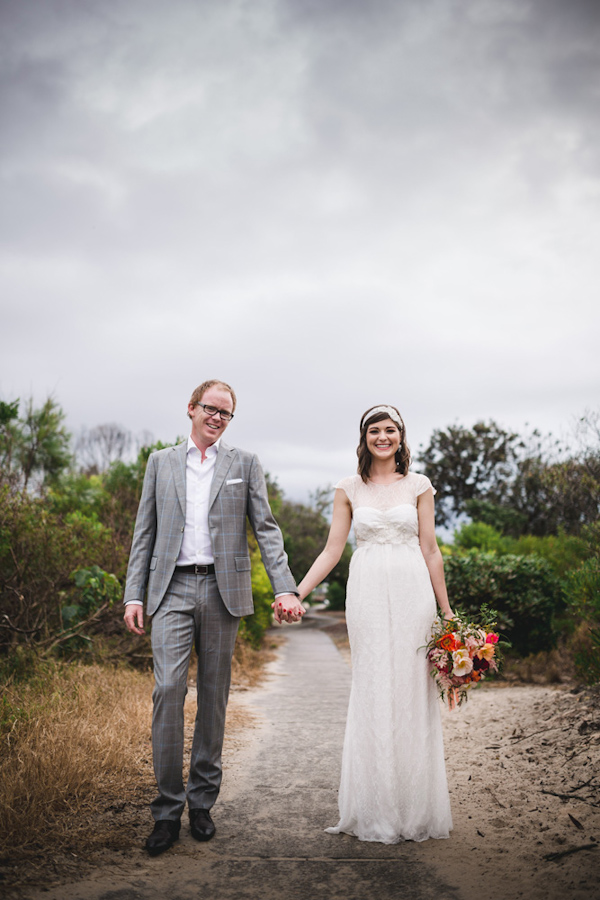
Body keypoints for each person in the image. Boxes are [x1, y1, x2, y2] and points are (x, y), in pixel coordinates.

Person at [124, 380, 305, 856]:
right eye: (211, 409)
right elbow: (144, 532)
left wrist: (285, 586)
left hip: (225, 591)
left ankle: (201, 802)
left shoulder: (244, 464)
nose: (218, 418)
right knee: (168, 689)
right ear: (191, 409)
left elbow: (266, 529)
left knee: (214, 696)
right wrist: (132, 596)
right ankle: (166, 810)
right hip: (171, 589)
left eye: (226, 413)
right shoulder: (160, 463)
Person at [294, 404, 454, 844]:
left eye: (390, 430)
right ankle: (374, 807)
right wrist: (296, 592)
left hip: (412, 594)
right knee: (373, 685)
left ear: (401, 437)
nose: (382, 437)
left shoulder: (419, 486)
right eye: (374, 431)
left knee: (410, 688)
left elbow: (431, 550)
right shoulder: (348, 488)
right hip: (365, 593)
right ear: (364, 438)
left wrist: (447, 611)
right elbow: (331, 551)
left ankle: (414, 808)